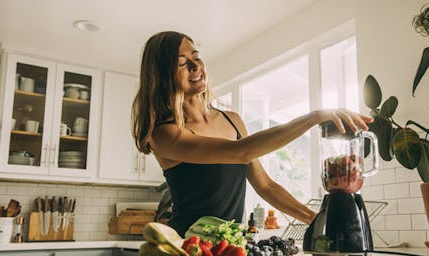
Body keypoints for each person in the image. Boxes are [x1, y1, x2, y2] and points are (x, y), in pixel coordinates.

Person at [132, 31, 373, 237]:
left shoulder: (232, 120)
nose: (196, 67)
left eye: (197, 58)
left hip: (231, 246)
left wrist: (316, 219)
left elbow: (265, 185)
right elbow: (241, 151)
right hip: (187, 248)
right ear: (162, 75)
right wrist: (313, 118)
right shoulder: (164, 134)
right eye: (183, 63)